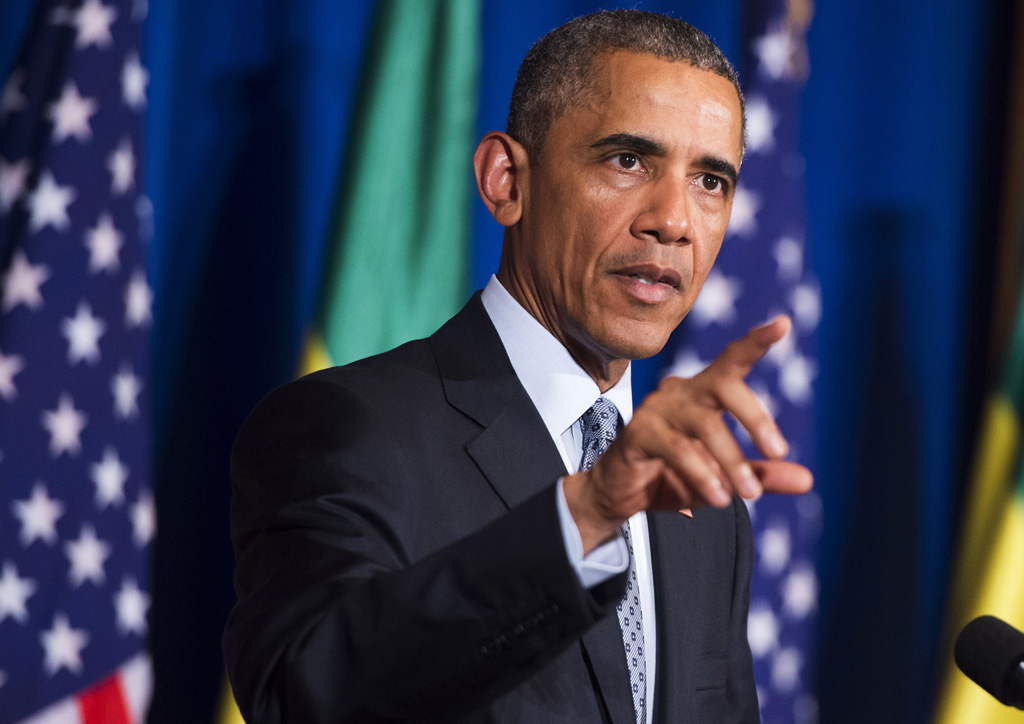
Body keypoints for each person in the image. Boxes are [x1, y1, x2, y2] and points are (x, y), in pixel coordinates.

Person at [223, 9, 813, 724]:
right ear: (506, 180)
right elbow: (305, 698)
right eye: (629, 160)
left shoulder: (701, 510)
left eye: (711, 181)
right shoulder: (349, 430)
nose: (675, 220)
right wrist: (588, 514)